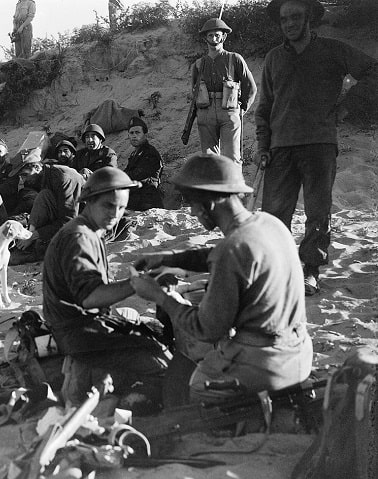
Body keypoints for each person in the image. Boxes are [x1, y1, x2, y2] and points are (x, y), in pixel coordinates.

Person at [130, 153, 313, 404]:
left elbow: (205, 329)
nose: (192, 211)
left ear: (211, 202)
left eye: (193, 203)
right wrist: (170, 258)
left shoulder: (231, 249)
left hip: (266, 366)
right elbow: (229, 256)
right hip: (299, 352)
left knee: (195, 386)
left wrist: (160, 296)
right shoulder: (269, 224)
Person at [255, 0, 378, 295]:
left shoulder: (333, 50)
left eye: (295, 17)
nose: (289, 24)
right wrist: (263, 144)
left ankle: (310, 270)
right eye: (284, 19)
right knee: (273, 214)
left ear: (309, 17)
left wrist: (346, 107)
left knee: (318, 213)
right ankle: (278, 270)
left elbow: (373, 71)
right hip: (280, 146)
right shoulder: (274, 58)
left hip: (319, 144)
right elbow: (265, 107)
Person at [43, 167, 168, 406]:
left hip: (81, 325)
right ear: (89, 201)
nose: (115, 214)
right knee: (161, 361)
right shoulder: (79, 237)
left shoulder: (91, 231)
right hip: (78, 333)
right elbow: (90, 297)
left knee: (152, 333)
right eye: (109, 206)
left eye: (121, 208)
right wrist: (136, 284)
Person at [191, 18, 257, 165]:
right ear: (205, 38)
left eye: (217, 35)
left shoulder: (234, 59)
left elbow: (251, 87)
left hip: (229, 112)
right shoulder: (198, 64)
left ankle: (233, 181)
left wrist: (242, 109)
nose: (214, 39)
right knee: (209, 161)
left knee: (232, 159)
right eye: (210, 35)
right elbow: (194, 91)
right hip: (205, 113)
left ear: (224, 37)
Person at [8, 153, 84, 263]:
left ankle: (36, 249)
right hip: (65, 218)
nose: (23, 180)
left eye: (25, 175)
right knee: (43, 195)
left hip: (86, 221)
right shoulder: (42, 177)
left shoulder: (63, 178)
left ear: (37, 167)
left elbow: (68, 220)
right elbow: (43, 207)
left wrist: (34, 235)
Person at [123, 116, 164, 210]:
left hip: (148, 200)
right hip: (135, 197)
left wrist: (120, 177)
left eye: (137, 132)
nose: (134, 136)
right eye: (131, 133)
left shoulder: (150, 152)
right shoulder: (134, 154)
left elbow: (139, 174)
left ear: (145, 135)